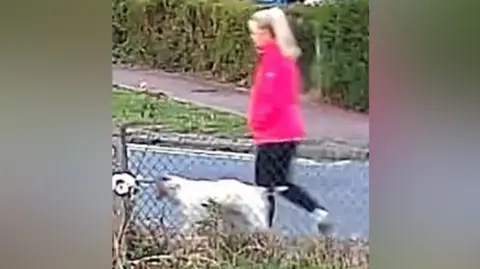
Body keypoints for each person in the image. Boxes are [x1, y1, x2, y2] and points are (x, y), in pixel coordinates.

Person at [247, 7, 333, 233]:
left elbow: (275, 99)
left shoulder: (275, 62)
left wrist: (257, 122)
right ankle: (317, 212)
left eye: (255, 32)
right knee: (281, 184)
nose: (253, 38)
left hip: (273, 133)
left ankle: (263, 232)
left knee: (264, 189)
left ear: (267, 33)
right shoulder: (277, 58)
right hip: (284, 132)